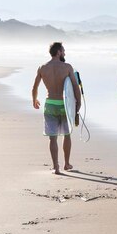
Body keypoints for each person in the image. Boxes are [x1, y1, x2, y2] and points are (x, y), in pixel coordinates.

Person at [32, 42, 81, 175]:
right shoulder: (67, 67)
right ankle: (66, 163)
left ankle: (56, 167)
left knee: (52, 137)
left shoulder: (42, 67)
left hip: (50, 105)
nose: (64, 53)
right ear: (59, 52)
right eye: (63, 51)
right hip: (64, 105)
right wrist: (78, 103)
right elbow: (75, 87)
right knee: (67, 134)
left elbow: (34, 87)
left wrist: (34, 100)